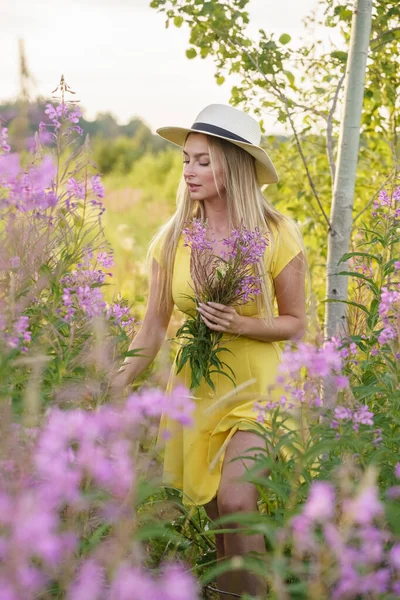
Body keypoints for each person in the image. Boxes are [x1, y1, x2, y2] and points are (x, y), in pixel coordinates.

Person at [113, 104, 307, 599]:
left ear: (235, 166)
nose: (189, 171)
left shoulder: (276, 233)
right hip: (196, 391)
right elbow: (152, 330)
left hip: (257, 388)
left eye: (203, 161)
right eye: (186, 160)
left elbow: (296, 323)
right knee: (223, 529)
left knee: (238, 499)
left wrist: (242, 323)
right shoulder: (173, 238)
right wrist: (115, 384)